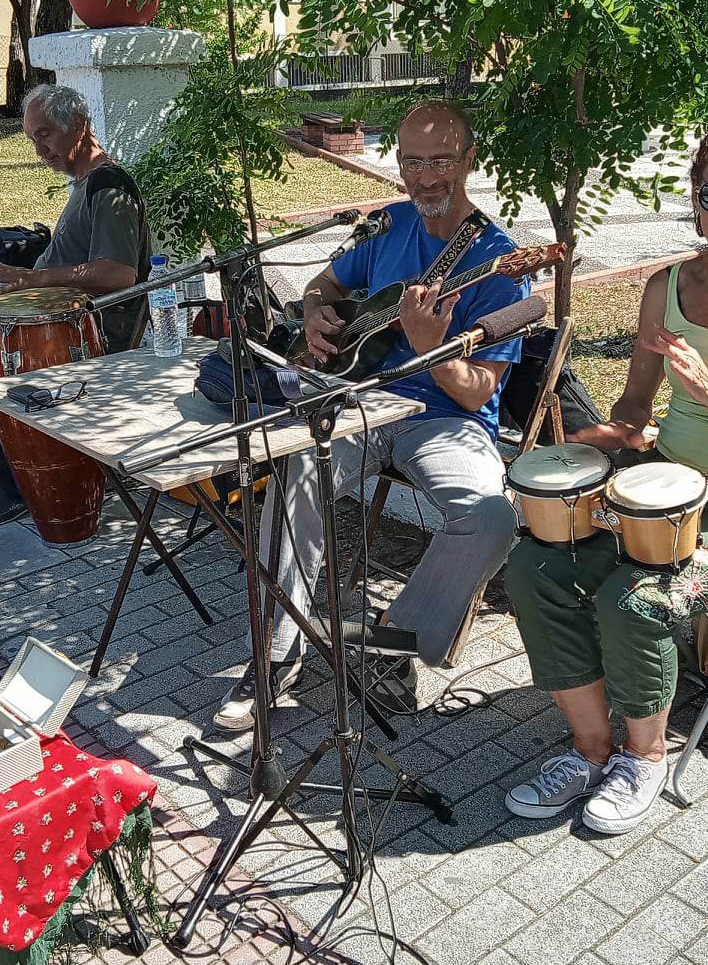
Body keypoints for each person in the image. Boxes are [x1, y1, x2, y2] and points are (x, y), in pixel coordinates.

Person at [503, 110, 708, 835]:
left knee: (638, 595)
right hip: (664, 488)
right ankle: (591, 749)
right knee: (537, 567)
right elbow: (633, 410)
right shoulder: (665, 288)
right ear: (695, 195)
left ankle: (645, 756)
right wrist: (588, 441)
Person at [213, 100, 526, 730]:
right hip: (361, 401)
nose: (425, 176)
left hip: (445, 421)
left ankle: (392, 645)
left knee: (492, 517)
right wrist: (312, 313)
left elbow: (473, 394)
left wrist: (431, 347)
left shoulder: (499, 264)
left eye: (441, 160)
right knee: (295, 470)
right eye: (411, 160)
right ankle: (277, 651)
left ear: (468, 160)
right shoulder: (387, 225)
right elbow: (323, 286)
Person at [0, 83, 150, 528]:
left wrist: (36, 277)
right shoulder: (83, 182)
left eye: (46, 135)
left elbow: (119, 275)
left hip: (88, 332)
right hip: (49, 322)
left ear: (78, 126)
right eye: (32, 139)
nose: (39, 149)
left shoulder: (109, 185)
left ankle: (16, 488)